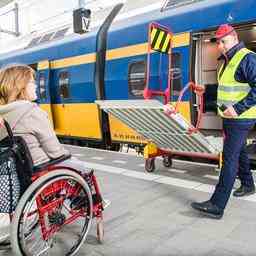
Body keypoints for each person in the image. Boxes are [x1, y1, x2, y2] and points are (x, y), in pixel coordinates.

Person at [191, 24, 256, 219]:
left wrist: (237, 108)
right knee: (240, 151)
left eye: (223, 41)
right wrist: (207, 90)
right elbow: (226, 88)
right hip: (230, 117)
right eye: (218, 42)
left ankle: (217, 205)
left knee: (229, 158)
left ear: (235, 38)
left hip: (241, 118)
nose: (220, 46)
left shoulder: (247, 58)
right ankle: (248, 184)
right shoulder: (227, 60)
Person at [0, 64, 69, 243]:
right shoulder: (31, 112)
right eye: (32, 82)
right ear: (21, 87)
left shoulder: (2, 115)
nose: (37, 86)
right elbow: (54, 151)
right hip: (40, 169)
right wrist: (67, 154)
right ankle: (83, 201)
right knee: (80, 167)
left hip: (18, 171)